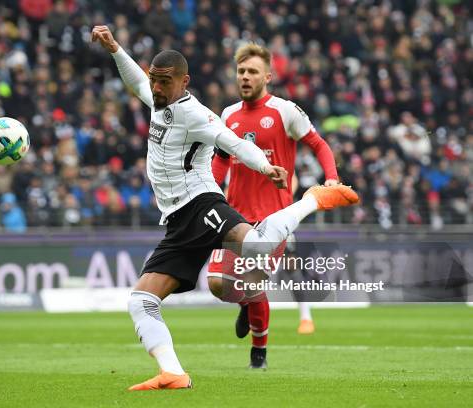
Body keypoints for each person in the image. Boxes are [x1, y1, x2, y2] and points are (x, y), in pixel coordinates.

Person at [91, 25, 359, 391]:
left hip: (201, 203)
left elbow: (232, 143)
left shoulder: (195, 113)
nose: (156, 87)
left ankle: (312, 199)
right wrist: (114, 49)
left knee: (258, 249)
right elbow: (136, 80)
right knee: (141, 300)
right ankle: (173, 373)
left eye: (165, 82)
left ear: (183, 82)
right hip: (176, 221)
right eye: (155, 80)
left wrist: (266, 167)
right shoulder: (156, 99)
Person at [206, 43, 340, 369]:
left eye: (252, 72)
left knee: (252, 283)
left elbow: (318, 144)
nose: (245, 77)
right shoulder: (228, 115)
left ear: (267, 76)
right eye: (241, 72)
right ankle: (243, 305)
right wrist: (209, 191)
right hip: (234, 214)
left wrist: (332, 178)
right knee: (215, 282)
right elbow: (221, 160)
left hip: (273, 218)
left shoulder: (285, 111)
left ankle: (258, 355)